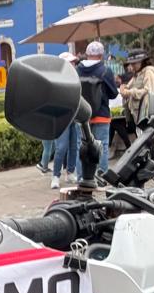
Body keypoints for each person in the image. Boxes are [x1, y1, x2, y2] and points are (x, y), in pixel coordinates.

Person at [76, 40, 119, 175]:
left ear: (87, 54)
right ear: (101, 55)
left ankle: (82, 178)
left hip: (82, 117)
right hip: (101, 115)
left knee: (82, 147)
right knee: (102, 146)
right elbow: (113, 94)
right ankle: (102, 177)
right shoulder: (105, 71)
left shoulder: (77, 70)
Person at [50, 51, 81, 188]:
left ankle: (70, 172)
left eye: (74, 63)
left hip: (74, 116)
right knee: (61, 147)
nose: (74, 65)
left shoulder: (75, 78)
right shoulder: (56, 79)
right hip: (61, 117)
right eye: (71, 63)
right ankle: (56, 175)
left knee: (74, 146)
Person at [119, 49, 154, 132]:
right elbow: (127, 87)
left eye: (134, 63)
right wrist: (124, 89)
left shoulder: (149, 72)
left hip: (148, 116)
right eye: (131, 63)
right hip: (138, 115)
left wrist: (129, 92)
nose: (132, 66)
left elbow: (149, 92)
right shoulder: (138, 74)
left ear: (142, 61)